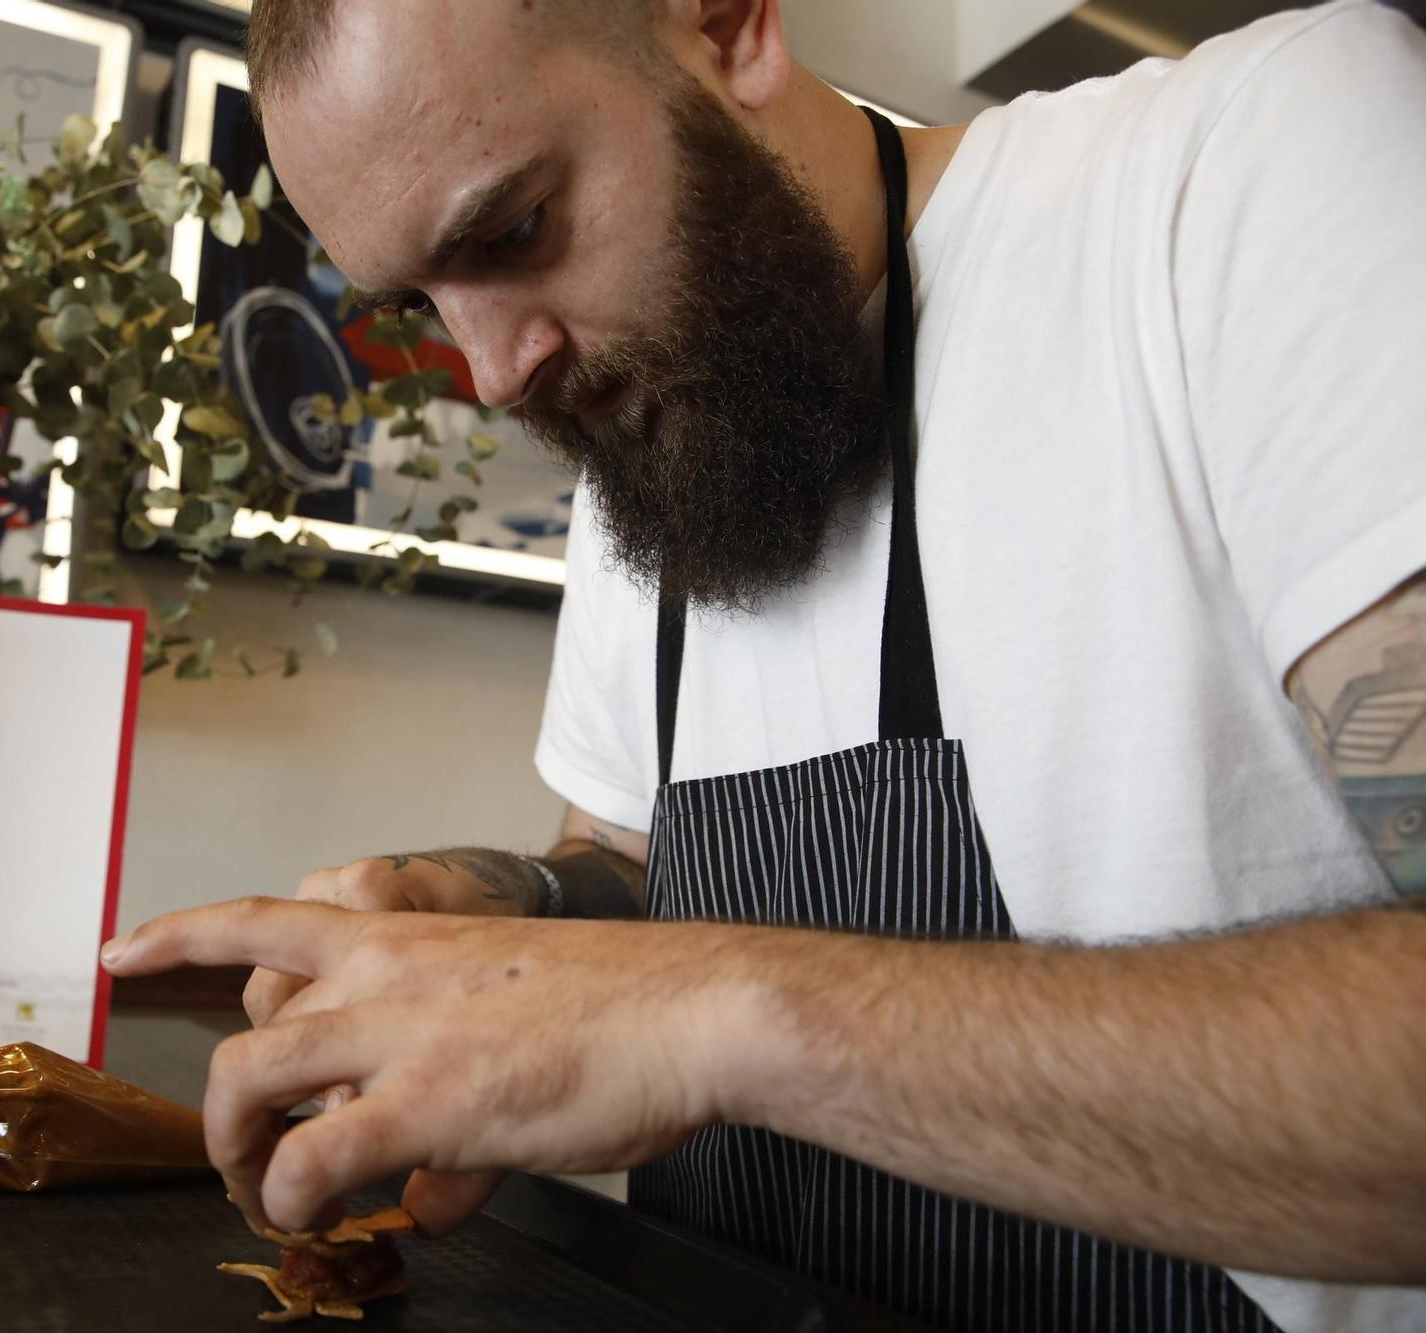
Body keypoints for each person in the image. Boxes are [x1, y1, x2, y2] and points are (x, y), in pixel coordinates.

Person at [99, 2, 1426, 1328]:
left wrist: (714, 1012)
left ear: (728, 26)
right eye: (420, 302)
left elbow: (680, 990)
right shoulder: (656, 414)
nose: (494, 372)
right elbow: (628, 868)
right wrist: (490, 925)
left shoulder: (1246, 164)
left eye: (511, 233)